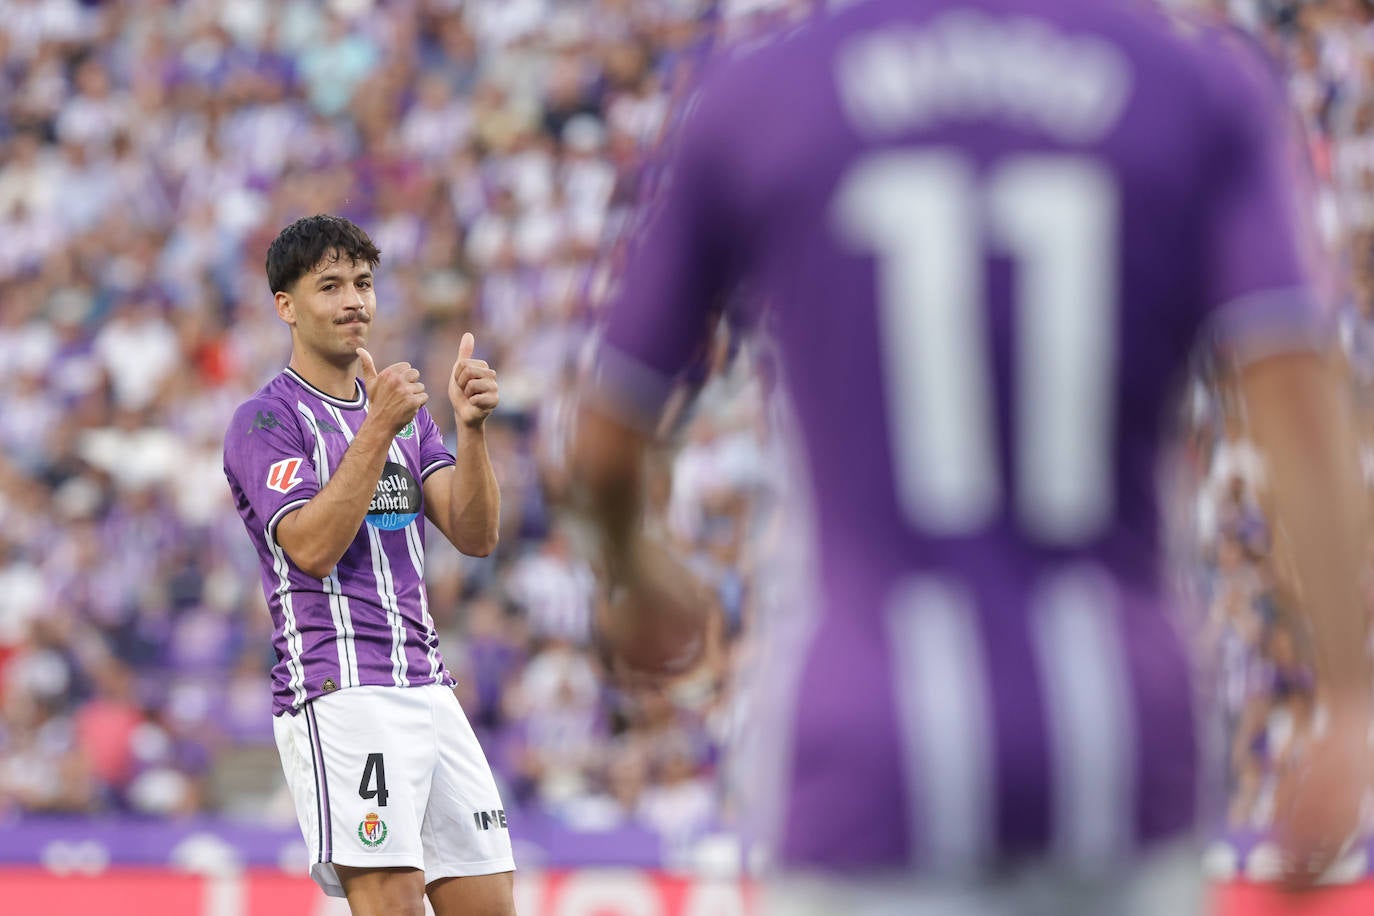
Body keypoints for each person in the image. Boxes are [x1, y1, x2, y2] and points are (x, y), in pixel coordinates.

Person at [571, 2, 1372, 913]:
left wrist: (633, 568)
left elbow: (606, 440)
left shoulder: (765, 94)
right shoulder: (1194, 86)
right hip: (1117, 748)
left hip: (867, 749)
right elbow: (1301, 402)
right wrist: (1347, 693)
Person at [222, 215, 516, 916]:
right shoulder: (265, 422)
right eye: (330, 286)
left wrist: (471, 432)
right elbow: (311, 546)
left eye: (362, 282)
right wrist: (378, 425)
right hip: (342, 692)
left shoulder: (405, 412)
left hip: (429, 685)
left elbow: (475, 534)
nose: (354, 300)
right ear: (285, 306)